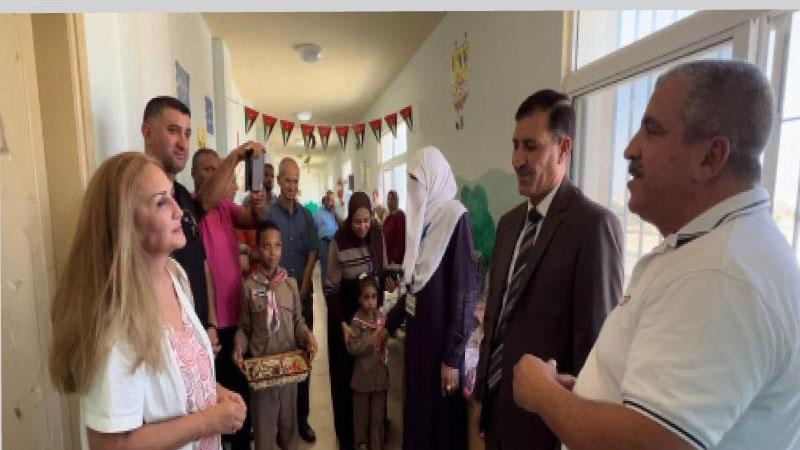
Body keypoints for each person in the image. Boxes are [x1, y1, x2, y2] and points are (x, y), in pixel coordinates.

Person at [512, 60, 800, 450]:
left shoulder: (719, 274)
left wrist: (544, 395)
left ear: (709, 157)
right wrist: (586, 393)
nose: (630, 148)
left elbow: (649, 443)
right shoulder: (706, 250)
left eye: (652, 131)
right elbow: (662, 414)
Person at [49, 152, 246, 450]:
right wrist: (207, 421)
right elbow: (111, 444)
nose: (179, 212)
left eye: (172, 197)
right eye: (161, 202)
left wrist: (212, 392)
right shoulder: (115, 317)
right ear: (126, 223)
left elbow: (174, 378)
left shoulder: (175, 275)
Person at [472, 89, 624, 450]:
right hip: (497, 417)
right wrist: (481, 399)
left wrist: (573, 432)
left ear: (563, 148)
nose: (517, 160)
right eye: (515, 145)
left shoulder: (592, 227)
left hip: (547, 430)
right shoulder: (509, 225)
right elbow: (496, 320)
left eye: (531, 147)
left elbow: (596, 351)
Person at [379, 146, 479, 450]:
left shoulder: (454, 218)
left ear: (434, 180)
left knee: (439, 425)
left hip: (440, 351)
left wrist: (452, 357)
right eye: (411, 183)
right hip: (418, 345)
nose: (414, 191)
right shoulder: (424, 223)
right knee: (418, 417)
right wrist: (388, 325)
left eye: (418, 183)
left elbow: (464, 293)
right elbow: (414, 288)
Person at [192, 144, 267, 450]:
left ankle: (242, 441)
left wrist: (259, 207)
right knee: (217, 398)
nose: (215, 174)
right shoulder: (194, 206)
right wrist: (235, 156)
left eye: (217, 168)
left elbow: (249, 218)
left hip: (237, 315)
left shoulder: (224, 206)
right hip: (211, 323)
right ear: (194, 175)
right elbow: (208, 196)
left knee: (240, 389)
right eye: (208, 169)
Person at [141, 96, 218, 352]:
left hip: (195, 332)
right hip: (160, 342)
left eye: (187, 134)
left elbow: (201, 262)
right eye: (173, 131)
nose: (183, 143)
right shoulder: (132, 199)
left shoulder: (185, 197)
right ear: (147, 133)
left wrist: (210, 323)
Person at [234, 220, 318, 450]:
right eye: (266, 246)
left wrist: (307, 336)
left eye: (277, 246)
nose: (272, 253)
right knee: (265, 436)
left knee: (289, 433)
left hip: (289, 370)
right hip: (262, 375)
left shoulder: (290, 285)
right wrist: (239, 346)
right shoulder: (249, 287)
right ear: (257, 249)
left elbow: (298, 323)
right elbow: (244, 328)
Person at [324, 191, 388, 450]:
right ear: (349, 219)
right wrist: (342, 323)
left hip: (371, 314)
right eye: (356, 221)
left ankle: (374, 434)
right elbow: (331, 289)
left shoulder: (377, 235)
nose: (362, 227)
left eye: (366, 221)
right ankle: (349, 438)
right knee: (345, 379)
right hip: (345, 318)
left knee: (372, 373)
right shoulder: (338, 242)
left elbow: (382, 273)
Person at [262, 157, 319, 442]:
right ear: (279, 181)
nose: (292, 186)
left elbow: (312, 252)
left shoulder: (306, 216)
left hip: (302, 297)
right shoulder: (268, 215)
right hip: (276, 300)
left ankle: (302, 420)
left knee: (303, 357)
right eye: (287, 180)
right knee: (278, 360)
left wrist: (304, 285)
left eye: (296, 181)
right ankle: (278, 425)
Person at [346, 276, 389, 450]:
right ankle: (361, 445)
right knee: (361, 420)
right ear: (359, 299)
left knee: (377, 420)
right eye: (366, 297)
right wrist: (374, 337)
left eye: (374, 297)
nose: (371, 302)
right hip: (362, 381)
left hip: (380, 379)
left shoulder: (382, 318)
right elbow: (353, 347)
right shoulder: (356, 322)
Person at [315, 189, 339, 283]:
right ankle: (325, 287)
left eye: (332, 200)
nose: (330, 202)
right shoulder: (319, 212)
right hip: (324, 242)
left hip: (334, 241)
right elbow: (315, 228)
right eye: (329, 200)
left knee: (335, 266)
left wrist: (335, 213)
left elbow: (341, 225)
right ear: (325, 200)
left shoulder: (335, 212)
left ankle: (334, 286)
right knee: (325, 267)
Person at [381, 190, 405, 266]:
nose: (390, 201)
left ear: (397, 201)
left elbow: (400, 241)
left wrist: (395, 259)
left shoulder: (400, 216)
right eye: (388, 199)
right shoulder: (388, 218)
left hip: (395, 261)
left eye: (392, 199)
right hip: (387, 257)